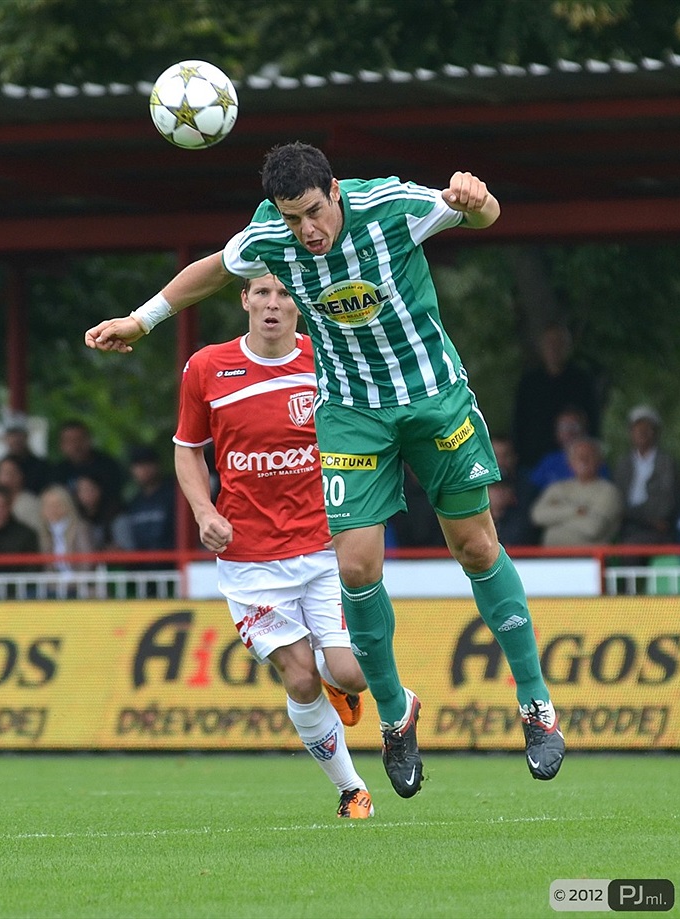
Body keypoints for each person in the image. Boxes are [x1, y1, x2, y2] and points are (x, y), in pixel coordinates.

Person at [86, 141, 566, 792]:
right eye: (291, 219)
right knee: (356, 564)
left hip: (431, 397)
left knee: (477, 546)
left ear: (334, 191)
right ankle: (396, 715)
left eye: (313, 212)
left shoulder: (391, 206)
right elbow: (213, 268)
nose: (306, 231)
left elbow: (480, 216)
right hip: (350, 412)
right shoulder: (272, 237)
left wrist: (478, 201)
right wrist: (142, 321)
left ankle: (535, 703)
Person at [173, 273, 372, 819]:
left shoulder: (329, 360)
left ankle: (347, 688)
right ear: (243, 300)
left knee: (350, 672)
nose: (273, 304)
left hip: (324, 547)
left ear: (300, 305)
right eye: (262, 292)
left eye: (285, 294)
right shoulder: (207, 367)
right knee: (301, 674)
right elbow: (188, 450)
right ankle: (352, 790)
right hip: (249, 560)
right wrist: (204, 510)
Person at [512, 322, 601, 471]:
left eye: (560, 343)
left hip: (575, 463)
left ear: (568, 346)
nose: (554, 348)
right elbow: (518, 422)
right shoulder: (529, 382)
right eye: (550, 343)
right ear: (541, 346)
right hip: (532, 460)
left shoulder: (581, 380)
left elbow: (592, 420)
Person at [530, 437, 623, 546]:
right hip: (550, 559)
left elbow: (593, 528)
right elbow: (537, 516)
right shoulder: (557, 488)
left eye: (590, 455)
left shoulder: (609, 491)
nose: (584, 459)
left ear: (600, 461)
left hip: (590, 560)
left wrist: (555, 518)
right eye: (578, 456)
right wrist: (577, 511)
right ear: (570, 463)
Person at [613, 405, 680, 546]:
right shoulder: (622, 464)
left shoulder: (667, 463)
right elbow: (618, 500)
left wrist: (637, 516)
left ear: (656, 432)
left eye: (647, 428)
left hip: (660, 530)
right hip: (628, 527)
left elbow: (667, 503)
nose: (642, 432)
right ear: (630, 432)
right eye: (637, 428)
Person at [38, 484, 96, 598]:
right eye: (48, 506)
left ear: (67, 506)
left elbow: (87, 563)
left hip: (79, 589)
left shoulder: (80, 529)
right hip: (53, 590)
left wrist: (68, 583)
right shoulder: (43, 533)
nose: (52, 510)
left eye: (56, 505)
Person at [0, 484, 40, 596]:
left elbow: (31, 573)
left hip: (20, 602)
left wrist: (1, 593)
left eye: (0, 506)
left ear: (9, 506)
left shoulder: (26, 535)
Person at [118, 446, 176, 555]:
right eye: (138, 466)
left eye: (147, 464)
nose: (143, 470)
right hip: (142, 567)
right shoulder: (133, 503)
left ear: (157, 466)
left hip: (170, 564)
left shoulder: (173, 497)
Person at [52, 419, 126, 497]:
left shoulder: (107, 466)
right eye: (70, 441)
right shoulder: (58, 472)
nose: (76, 445)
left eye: (79, 439)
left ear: (89, 440)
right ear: (61, 446)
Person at [489, 434, 538, 546]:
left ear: (515, 457)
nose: (500, 461)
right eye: (496, 456)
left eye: (505, 455)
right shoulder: (474, 487)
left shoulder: (529, 490)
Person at [0, 455, 43, 539]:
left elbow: (39, 533)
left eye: (11, 473)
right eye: (4, 473)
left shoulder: (30, 503)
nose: (7, 478)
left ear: (20, 476)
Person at [1, 417, 51, 495]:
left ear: (26, 437)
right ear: (6, 438)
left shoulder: (41, 466)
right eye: (12, 436)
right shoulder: (1, 465)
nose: (15, 440)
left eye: (19, 435)